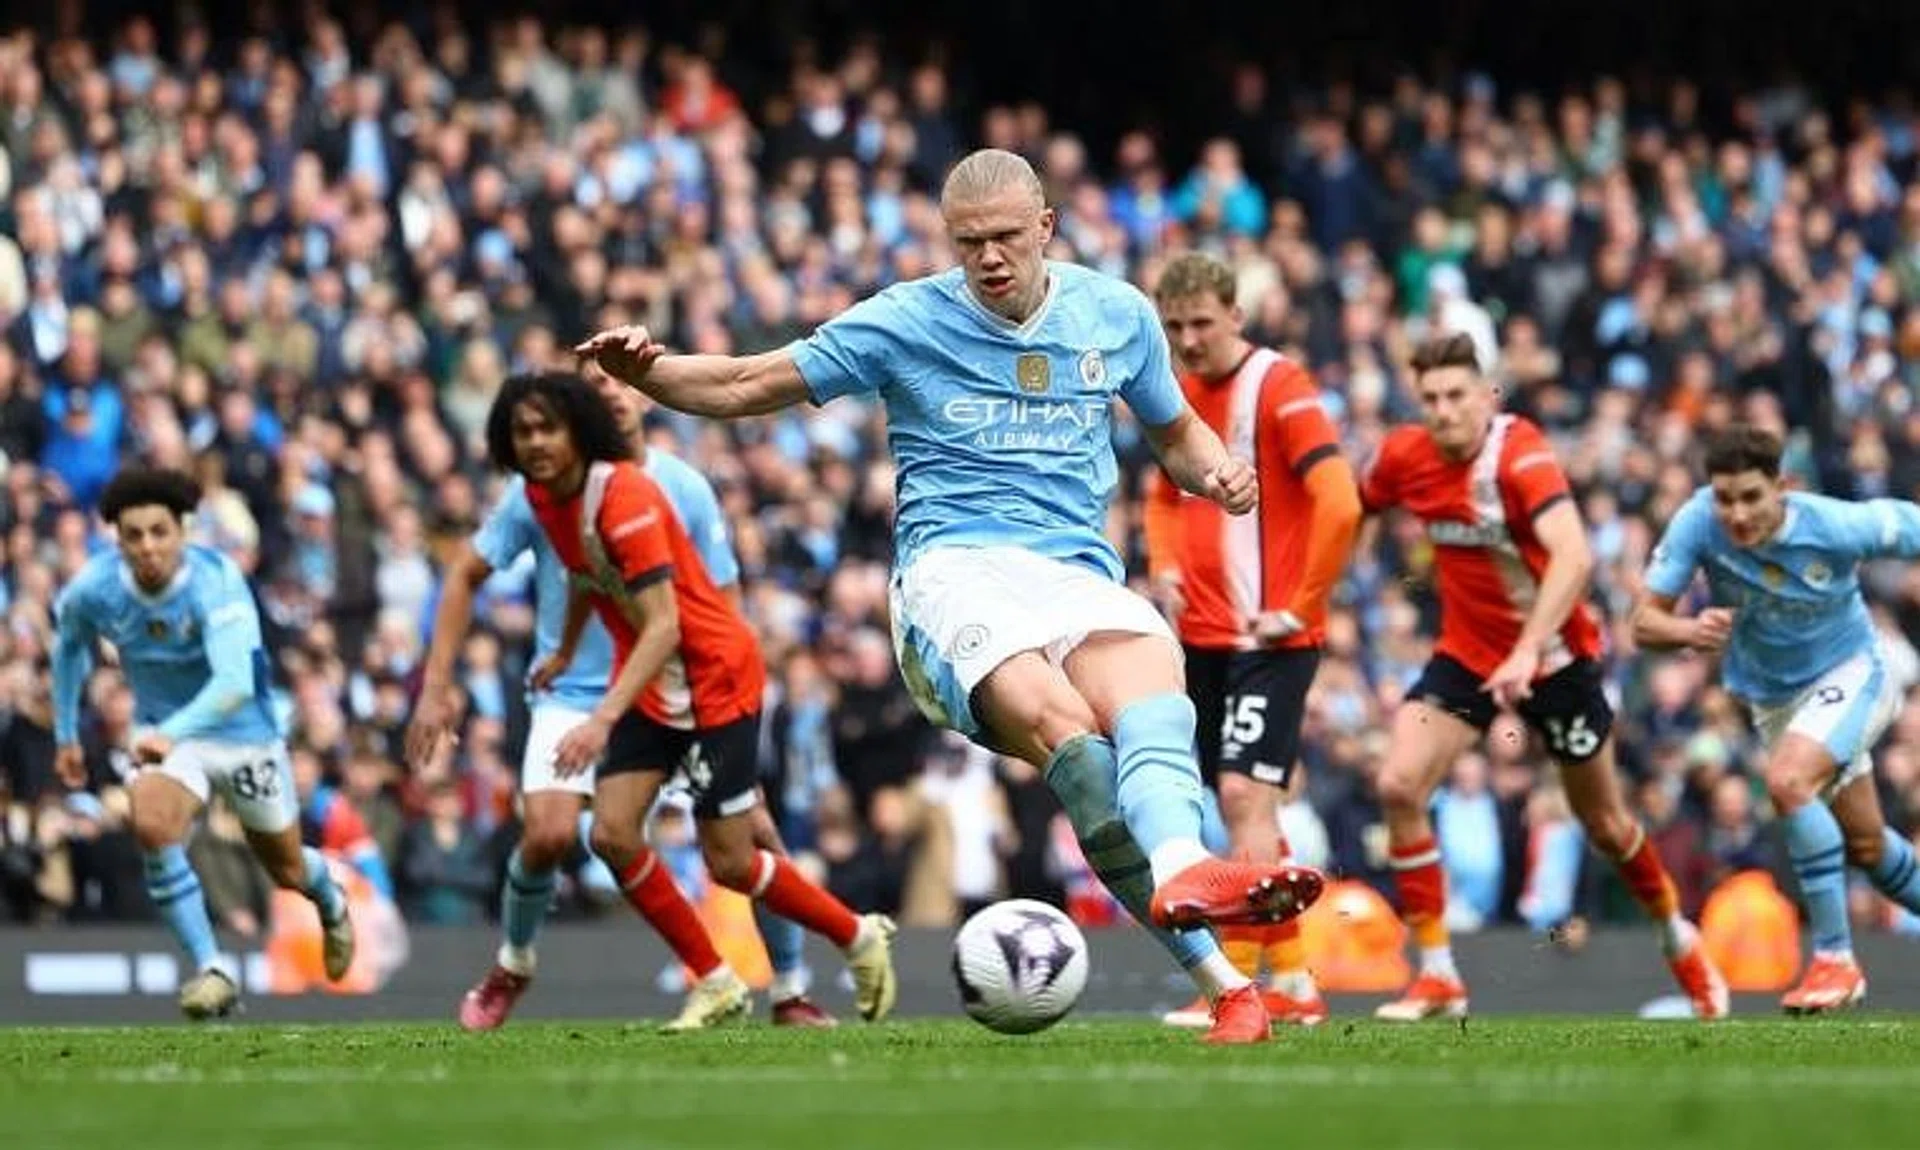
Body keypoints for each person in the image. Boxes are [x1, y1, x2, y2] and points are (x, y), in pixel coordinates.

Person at [577, 147, 1324, 1044]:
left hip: (1075, 574)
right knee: (1074, 744)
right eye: (969, 243)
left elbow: (1176, 432)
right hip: (953, 573)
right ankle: (1212, 962)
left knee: (1156, 686)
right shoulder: (904, 321)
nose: (990, 257)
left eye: (1007, 237)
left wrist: (1220, 474)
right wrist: (649, 375)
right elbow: (749, 381)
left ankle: (1193, 893)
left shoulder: (1116, 314)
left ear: (1045, 227)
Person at [409, 365, 835, 1031]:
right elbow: (468, 573)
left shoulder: (682, 487)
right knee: (548, 833)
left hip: (676, 689)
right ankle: (513, 964)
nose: (609, 390)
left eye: (619, 380)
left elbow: (722, 603)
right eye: (593, 384)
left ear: (638, 394)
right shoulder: (538, 491)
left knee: (753, 834)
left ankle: (791, 989)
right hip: (577, 692)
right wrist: (436, 688)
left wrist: (729, 693)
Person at [1359, 332, 1726, 1021]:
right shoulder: (1405, 456)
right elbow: (1353, 505)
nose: (1444, 410)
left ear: (1485, 392)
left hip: (1557, 660)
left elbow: (1575, 557)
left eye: (1456, 395)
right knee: (1398, 783)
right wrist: (1333, 588)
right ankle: (1438, 975)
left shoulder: (1519, 452)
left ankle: (1681, 940)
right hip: (1467, 654)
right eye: (1430, 398)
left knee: (1607, 822)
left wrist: (1528, 650)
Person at [1633, 423, 1920, 1014]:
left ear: (1782, 487)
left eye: (1750, 498)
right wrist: (1688, 629)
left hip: (1852, 674)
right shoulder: (1698, 523)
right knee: (1866, 845)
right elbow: (1643, 624)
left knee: (1788, 782)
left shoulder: (1836, 525)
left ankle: (1834, 959)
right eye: (1724, 498)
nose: (1736, 513)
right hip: (1774, 701)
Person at [1145, 252, 1361, 1029]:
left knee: (1242, 794)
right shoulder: (1175, 395)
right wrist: (1165, 565)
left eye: (1202, 322)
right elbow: (1163, 498)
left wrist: (1301, 605)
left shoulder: (1281, 387)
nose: (1189, 339)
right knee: (1237, 799)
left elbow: (1339, 501)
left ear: (1237, 315)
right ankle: (1294, 983)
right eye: (1174, 327)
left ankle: (1237, 986)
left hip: (1270, 636)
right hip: (1201, 636)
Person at [51, 466, 355, 1019]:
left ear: (183, 531)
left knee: (285, 869)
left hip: (243, 735)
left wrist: (170, 732)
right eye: (134, 535)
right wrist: (67, 732)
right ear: (116, 540)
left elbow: (235, 684)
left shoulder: (216, 583)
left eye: (158, 532)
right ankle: (212, 968)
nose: (147, 547)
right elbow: (68, 644)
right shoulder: (94, 589)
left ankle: (330, 898)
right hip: (167, 736)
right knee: (151, 823)